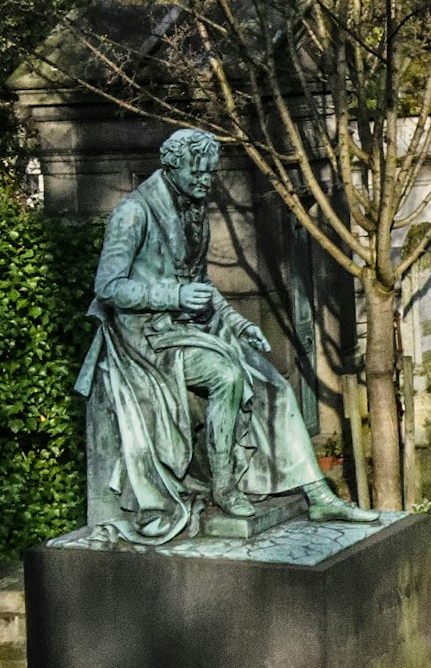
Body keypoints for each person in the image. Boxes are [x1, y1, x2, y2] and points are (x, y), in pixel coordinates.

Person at [82, 129, 382, 543]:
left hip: (195, 328)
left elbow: (199, 282)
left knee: (274, 385)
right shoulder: (133, 212)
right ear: (172, 167)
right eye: (198, 172)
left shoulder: (193, 208)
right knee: (227, 376)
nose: (206, 181)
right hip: (147, 340)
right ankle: (224, 485)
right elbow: (108, 286)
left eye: (210, 173)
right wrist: (173, 295)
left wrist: (237, 322)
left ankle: (317, 493)